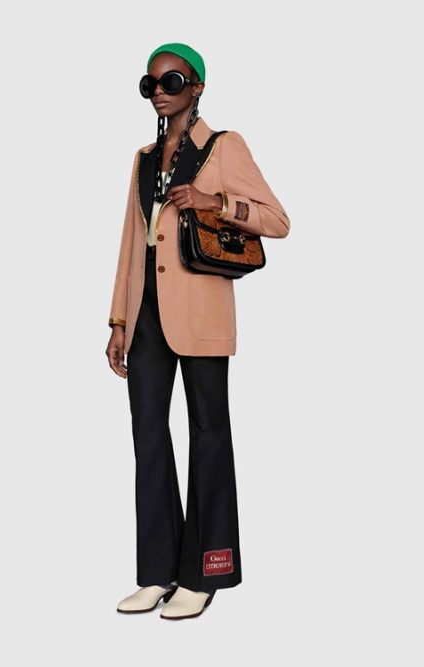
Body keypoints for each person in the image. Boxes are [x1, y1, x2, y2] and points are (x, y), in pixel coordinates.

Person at [106, 42, 290, 620]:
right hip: (146, 314)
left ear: (197, 87)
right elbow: (130, 244)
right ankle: (157, 571)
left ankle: (204, 572)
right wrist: (118, 320)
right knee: (147, 437)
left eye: (172, 81)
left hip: (203, 313)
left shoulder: (223, 147)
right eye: (151, 84)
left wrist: (218, 201)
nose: (160, 92)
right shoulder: (142, 159)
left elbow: (278, 220)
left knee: (209, 433)